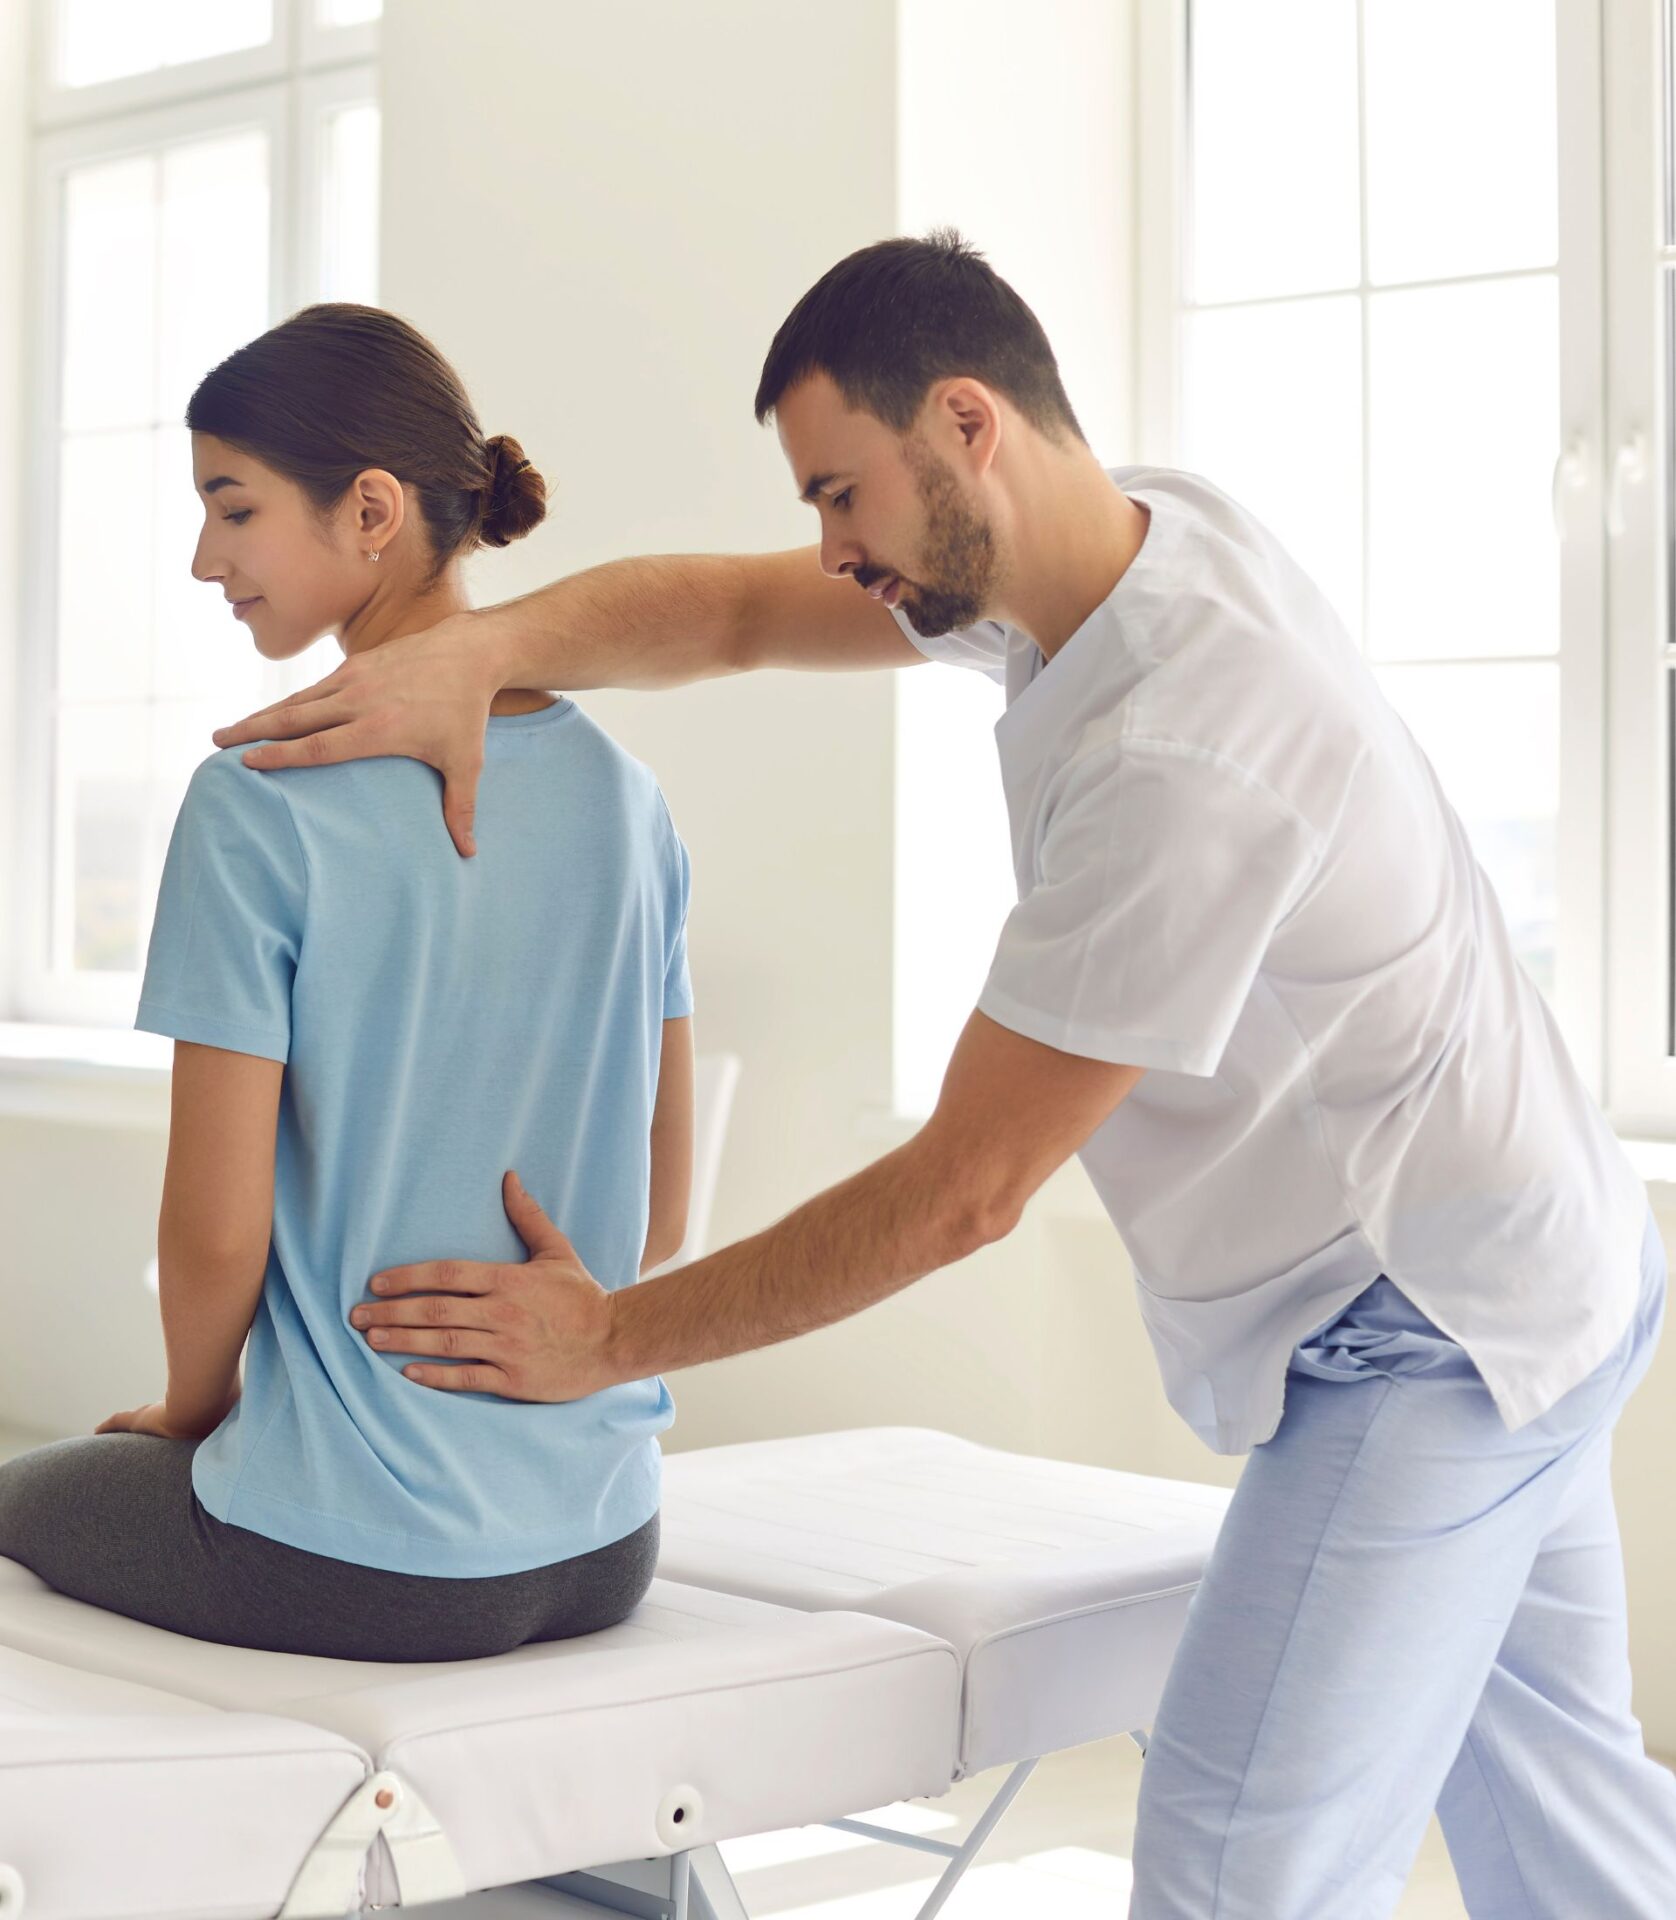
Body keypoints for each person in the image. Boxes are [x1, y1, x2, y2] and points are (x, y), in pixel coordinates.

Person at [205, 233, 1673, 1912]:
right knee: (1574, 1845)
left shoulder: (1185, 741)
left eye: (843, 495)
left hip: (1436, 1325)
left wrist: (609, 1340)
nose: (831, 547)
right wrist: (480, 652)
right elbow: (742, 614)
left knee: (1235, 1864)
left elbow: (962, 1194)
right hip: (1555, 1246)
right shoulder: (1121, 547)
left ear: (968, 426)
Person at [0, 304, 695, 1663]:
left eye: (234, 508)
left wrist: (189, 1416)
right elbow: (658, 1216)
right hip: (608, 1537)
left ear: (370, 509)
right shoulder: (632, 802)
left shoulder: (260, 800)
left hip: (350, 1559)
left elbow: (212, 1238)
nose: (206, 559)